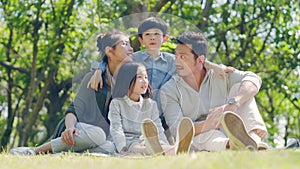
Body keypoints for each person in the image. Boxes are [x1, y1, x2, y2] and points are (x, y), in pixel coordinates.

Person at [88, 17, 233, 144]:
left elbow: (194, 62)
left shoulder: (173, 61)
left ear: (165, 38)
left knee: (166, 142)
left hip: (166, 117)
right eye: (148, 35)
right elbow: (111, 60)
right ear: (141, 39)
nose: (152, 38)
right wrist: (99, 69)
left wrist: (212, 65)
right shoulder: (134, 59)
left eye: (157, 34)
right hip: (139, 113)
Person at [10, 30, 134, 155]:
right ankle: (33, 151)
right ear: (109, 51)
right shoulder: (93, 78)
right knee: (99, 135)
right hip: (75, 129)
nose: (131, 48)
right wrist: (70, 127)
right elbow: (74, 108)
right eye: (125, 44)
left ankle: (62, 153)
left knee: (111, 148)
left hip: (94, 138)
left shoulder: (123, 82)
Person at [159, 31, 268, 152]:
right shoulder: (169, 90)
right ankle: (235, 145)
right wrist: (207, 124)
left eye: (183, 57)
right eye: (176, 56)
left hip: (228, 128)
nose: (177, 62)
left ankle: (253, 141)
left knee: (241, 91)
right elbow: (176, 129)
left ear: (200, 60)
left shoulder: (220, 74)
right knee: (203, 135)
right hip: (201, 137)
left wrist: (232, 104)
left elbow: (254, 79)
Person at [108, 62, 194, 155]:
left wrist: (164, 143)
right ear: (127, 79)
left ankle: (176, 148)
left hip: (148, 140)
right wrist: (122, 148)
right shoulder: (117, 103)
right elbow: (116, 128)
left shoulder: (151, 105)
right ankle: (172, 151)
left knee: (160, 145)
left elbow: (158, 128)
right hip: (129, 141)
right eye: (140, 77)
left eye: (146, 77)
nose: (145, 81)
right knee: (136, 147)